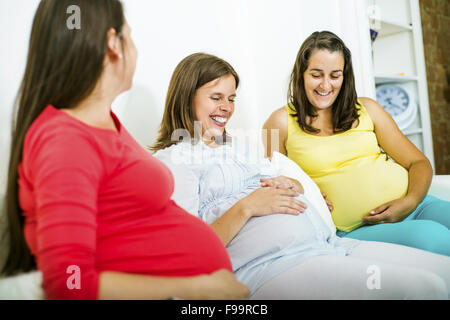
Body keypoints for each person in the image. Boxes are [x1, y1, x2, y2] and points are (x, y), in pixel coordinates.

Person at [0, 0, 249, 300]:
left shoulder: (105, 124)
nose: (135, 49)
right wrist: (197, 288)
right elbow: (70, 283)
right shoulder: (65, 140)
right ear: (113, 44)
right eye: (130, 36)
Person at [152, 52, 450, 299]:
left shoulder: (237, 148)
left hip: (329, 245)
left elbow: (282, 182)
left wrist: (292, 184)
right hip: (269, 267)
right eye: (216, 97)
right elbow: (189, 251)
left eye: (231, 98)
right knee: (426, 289)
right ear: (186, 97)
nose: (226, 108)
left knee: (443, 275)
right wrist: (248, 206)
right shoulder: (172, 162)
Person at [263, 30, 450, 256]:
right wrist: (307, 192)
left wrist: (409, 202)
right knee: (434, 237)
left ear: (345, 76)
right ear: (301, 73)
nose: (325, 85)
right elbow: (274, 185)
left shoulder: (367, 108)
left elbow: (418, 162)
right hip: (357, 227)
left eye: (335, 75)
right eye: (316, 74)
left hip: (417, 205)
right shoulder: (278, 122)